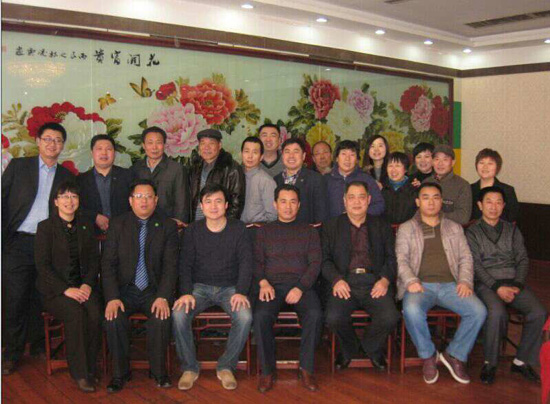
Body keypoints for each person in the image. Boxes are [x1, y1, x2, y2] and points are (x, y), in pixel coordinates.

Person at [1, 122, 74, 375]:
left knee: (41, 295)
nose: (52, 144)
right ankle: (11, 353)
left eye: (58, 140)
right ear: (38, 141)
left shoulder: (67, 176)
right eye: (48, 139)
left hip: (49, 244)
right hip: (18, 242)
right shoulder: (19, 167)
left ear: (62, 145)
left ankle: (38, 345)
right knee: (15, 298)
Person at [396, 182, 487, 385]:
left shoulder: (454, 227)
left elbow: (466, 258)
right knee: (411, 309)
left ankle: (454, 354)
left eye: (436, 197)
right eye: (425, 197)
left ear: (441, 201)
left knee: (478, 311)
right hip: (420, 285)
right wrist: (411, 281)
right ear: (417, 202)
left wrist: (465, 281)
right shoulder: (407, 228)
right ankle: (428, 355)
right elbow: (401, 260)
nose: (431, 202)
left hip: (451, 286)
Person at [173, 184, 253, 391]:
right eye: (208, 202)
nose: (213, 206)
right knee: (179, 314)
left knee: (245, 316)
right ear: (202, 206)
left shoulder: (239, 229)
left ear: (226, 205)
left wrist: (241, 291)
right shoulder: (193, 230)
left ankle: (226, 366)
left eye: (218, 201)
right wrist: (185, 293)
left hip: (230, 288)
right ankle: (189, 368)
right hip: (199, 288)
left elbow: (246, 263)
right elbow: (185, 264)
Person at [102, 179, 179, 392]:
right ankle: (120, 374)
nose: (143, 201)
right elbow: (108, 264)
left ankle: (159, 372)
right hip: (124, 290)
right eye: (138, 196)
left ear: (156, 200)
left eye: (148, 196)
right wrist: (112, 297)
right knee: (113, 318)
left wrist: (163, 296)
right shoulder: (118, 224)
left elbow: (171, 266)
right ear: (130, 200)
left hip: (153, 290)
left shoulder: (167, 226)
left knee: (161, 317)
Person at [466, 186, 547, 385]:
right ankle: (490, 363)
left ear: (503, 206)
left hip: (513, 282)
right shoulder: (472, 232)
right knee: (497, 312)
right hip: (486, 284)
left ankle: (521, 361)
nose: (493, 207)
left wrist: (517, 284)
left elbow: (523, 259)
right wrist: (497, 287)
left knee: (539, 313)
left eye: (498, 202)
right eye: (489, 202)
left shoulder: (512, 230)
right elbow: (475, 265)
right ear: (480, 205)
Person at [254, 184, 323, 393]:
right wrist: (263, 282)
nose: (288, 206)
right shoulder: (264, 231)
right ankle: (267, 371)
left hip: (301, 286)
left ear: (299, 205)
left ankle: (306, 369)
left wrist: (300, 287)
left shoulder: (309, 231)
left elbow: (315, 264)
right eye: (283, 201)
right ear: (275, 204)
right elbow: (256, 262)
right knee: (260, 316)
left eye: (293, 202)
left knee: (315, 314)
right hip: (272, 286)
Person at [323, 181, 399, 371]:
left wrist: (385, 280)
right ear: (344, 200)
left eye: (361, 197)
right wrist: (336, 280)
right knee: (333, 317)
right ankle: (350, 347)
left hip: (374, 281)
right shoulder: (331, 226)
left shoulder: (381, 225)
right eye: (352, 197)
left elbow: (391, 258)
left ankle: (370, 347)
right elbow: (324, 260)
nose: (357, 202)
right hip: (345, 281)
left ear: (369, 199)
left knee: (390, 316)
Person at [35, 181, 101, 392]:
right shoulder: (45, 228)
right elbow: (42, 266)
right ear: (56, 201)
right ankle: (80, 373)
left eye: (74, 196)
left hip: (82, 287)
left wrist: (88, 284)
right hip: (55, 291)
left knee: (95, 312)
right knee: (76, 313)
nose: (69, 201)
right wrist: (66, 289)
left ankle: (91, 367)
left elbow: (94, 260)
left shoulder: (85, 225)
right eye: (64, 196)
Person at [131, 126, 190, 225]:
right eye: (150, 143)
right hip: (141, 223)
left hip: (168, 222)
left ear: (164, 145)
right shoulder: (135, 169)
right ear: (143, 145)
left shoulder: (176, 169)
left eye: (158, 142)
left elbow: (182, 200)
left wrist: (179, 223)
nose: (154, 147)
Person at [78, 134, 133, 234]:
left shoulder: (128, 176)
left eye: (108, 149)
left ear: (114, 153)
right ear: (92, 153)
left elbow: (135, 204)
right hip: (91, 234)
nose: (104, 153)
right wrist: (95, 216)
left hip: (123, 233)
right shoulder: (81, 180)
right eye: (99, 149)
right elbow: (77, 207)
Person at [189, 129, 246, 221]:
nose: (206, 147)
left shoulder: (232, 169)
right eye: (203, 143)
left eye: (211, 143)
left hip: (219, 224)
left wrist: (224, 225)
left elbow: (236, 203)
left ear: (219, 145)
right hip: (196, 223)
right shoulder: (194, 167)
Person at [274, 138, 328, 225]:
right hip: (280, 231)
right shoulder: (275, 180)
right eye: (287, 152)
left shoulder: (316, 179)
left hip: (307, 231)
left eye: (296, 151)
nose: (291, 156)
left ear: (303, 156)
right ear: (282, 156)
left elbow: (321, 215)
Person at [326, 140, 384, 218]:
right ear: (336, 158)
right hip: (333, 224)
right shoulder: (326, 180)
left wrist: (358, 214)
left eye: (352, 155)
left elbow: (379, 204)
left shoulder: (367, 179)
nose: (347, 159)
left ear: (357, 160)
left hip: (361, 223)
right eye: (343, 154)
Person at [423, 144, 472, 225]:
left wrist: (437, 216)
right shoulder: (426, 183)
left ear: (453, 162)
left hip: (452, 231)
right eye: (437, 159)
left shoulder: (462, 185)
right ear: (432, 162)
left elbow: (463, 217)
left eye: (445, 159)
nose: (440, 163)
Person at [470, 148, 519, 222]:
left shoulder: (507, 190)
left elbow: (512, 218)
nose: (485, 167)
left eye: (490, 163)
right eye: (481, 163)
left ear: (497, 167)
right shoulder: (469, 189)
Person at [240, 137, 277, 225]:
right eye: (246, 151)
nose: (250, 156)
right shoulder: (236, 176)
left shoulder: (267, 181)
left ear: (261, 157)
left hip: (257, 228)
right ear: (241, 154)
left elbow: (273, 216)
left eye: (255, 152)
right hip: (237, 227)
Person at [381, 152, 417, 224]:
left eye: (397, 166)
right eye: (390, 166)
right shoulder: (381, 189)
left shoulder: (414, 190)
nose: (393, 170)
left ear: (405, 169)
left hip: (408, 229)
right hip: (384, 229)